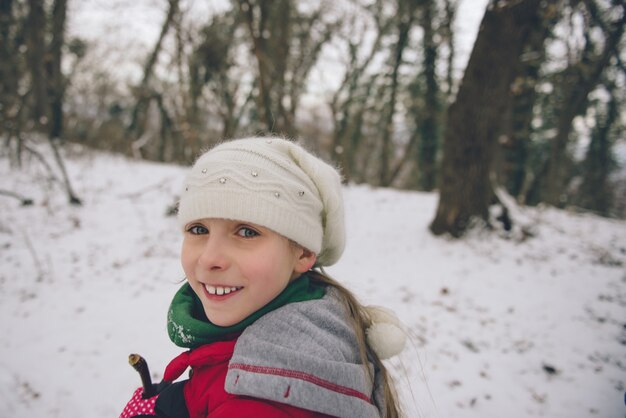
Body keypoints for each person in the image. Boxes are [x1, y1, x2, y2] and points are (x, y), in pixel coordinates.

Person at [119, 137, 406, 418]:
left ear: (303, 252)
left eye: (246, 232)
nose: (209, 258)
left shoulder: (260, 401)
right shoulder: (318, 322)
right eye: (198, 229)